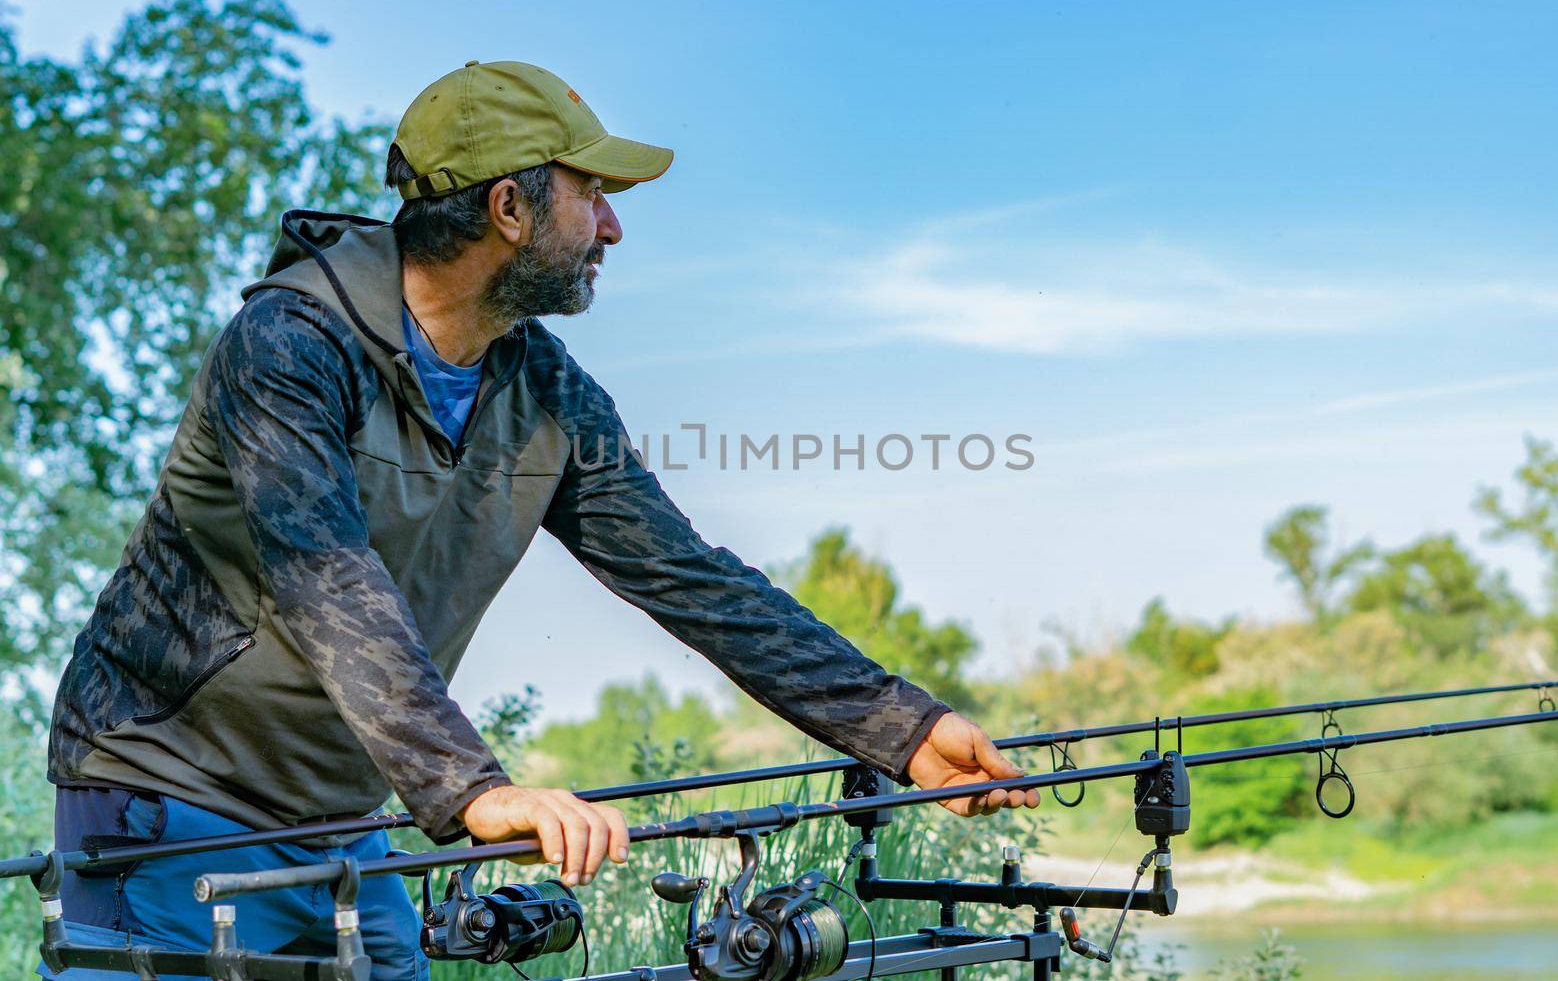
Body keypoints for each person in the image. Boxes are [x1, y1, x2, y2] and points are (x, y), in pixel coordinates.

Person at [43, 61, 1040, 979]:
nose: (612, 228)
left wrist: (899, 727)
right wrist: (473, 787)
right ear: (509, 207)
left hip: (343, 821)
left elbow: (688, 574)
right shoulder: (287, 345)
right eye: (593, 195)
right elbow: (324, 576)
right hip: (165, 804)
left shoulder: (543, 387)